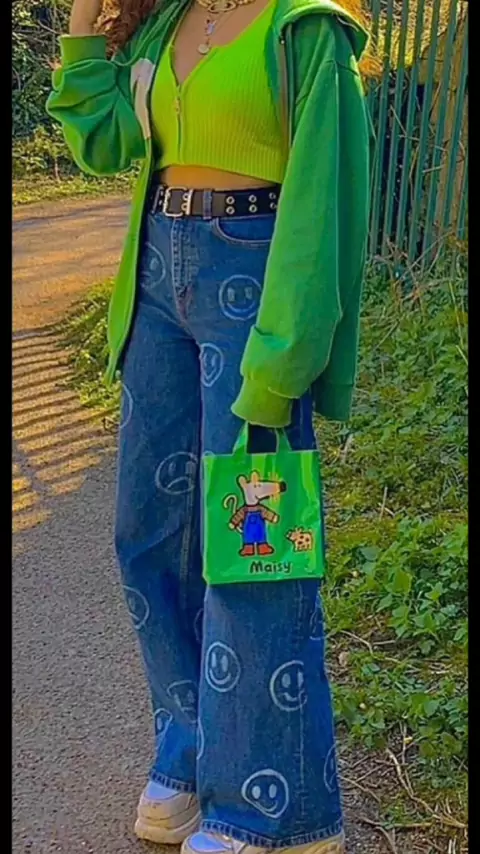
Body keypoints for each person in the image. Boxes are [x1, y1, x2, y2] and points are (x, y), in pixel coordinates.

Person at [47, 0, 375, 850]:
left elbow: (325, 202)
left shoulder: (307, 29)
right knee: (147, 535)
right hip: (158, 281)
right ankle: (191, 752)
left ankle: (277, 809)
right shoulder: (170, 20)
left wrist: (285, 353)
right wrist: (85, 20)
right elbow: (104, 144)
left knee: (253, 547)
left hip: (253, 282)